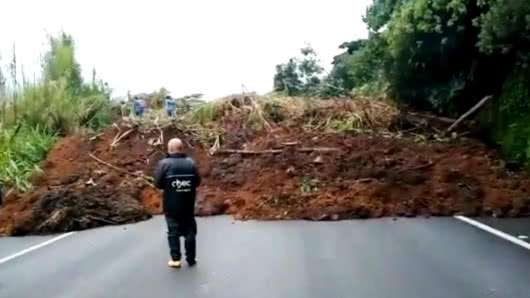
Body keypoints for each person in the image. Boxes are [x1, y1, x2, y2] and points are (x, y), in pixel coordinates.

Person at [154, 138, 201, 268]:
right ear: (182, 149)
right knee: (190, 231)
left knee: (173, 231)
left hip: (171, 205)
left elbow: (158, 183)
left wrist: (170, 185)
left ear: (169, 150)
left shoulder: (164, 164)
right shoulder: (190, 163)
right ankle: (191, 259)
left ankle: (175, 260)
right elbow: (197, 181)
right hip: (188, 205)